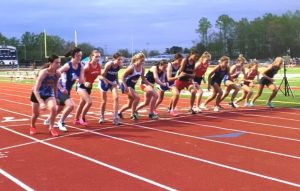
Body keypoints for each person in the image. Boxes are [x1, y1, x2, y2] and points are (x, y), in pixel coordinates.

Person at [30, 55, 61, 137]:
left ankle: (51, 128)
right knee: (35, 114)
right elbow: (36, 89)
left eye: (59, 63)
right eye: (56, 63)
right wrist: (41, 102)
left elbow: (55, 86)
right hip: (37, 94)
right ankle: (32, 126)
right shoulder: (44, 72)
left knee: (54, 108)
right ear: (51, 63)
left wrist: (56, 97)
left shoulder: (57, 74)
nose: (59, 65)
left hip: (48, 94)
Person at [54, 47, 84, 132]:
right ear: (73, 56)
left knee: (60, 107)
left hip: (68, 90)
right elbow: (56, 74)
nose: (80, 58)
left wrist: (83, 78)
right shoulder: (67, 65)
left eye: (81, 56)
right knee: (71, 106)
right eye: (78, 56)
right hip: (61, 89)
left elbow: (81, 80)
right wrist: (60, 88)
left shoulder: (80, 66)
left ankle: (49, 119)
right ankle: (61, 122)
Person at [118, 53, 149, 120]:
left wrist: (149, 84)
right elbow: (122, 77)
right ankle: (133, 114)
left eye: (143, 61)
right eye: (141, 61)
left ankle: (119, 112)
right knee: (137, 98)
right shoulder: (131, 67)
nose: (142, 62)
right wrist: (125, 86)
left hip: (132, 86)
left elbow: (143, 79)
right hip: (125, 84)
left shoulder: (142, 69)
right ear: (137, 60)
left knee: (129, 105)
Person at [74, 50, 101, 126]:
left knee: (82, 103)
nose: (98, 58)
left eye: (99, 56)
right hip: (81, 86)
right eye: (96, 56)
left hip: (89, 87)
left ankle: (76, 119)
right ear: (91, 57)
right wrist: (84, 82)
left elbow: (100, 75)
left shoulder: (98, 65)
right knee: (89, 102)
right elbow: (77, 75)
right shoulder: (87, 66)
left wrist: (105, 80)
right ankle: (82, 118)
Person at [98, 52, 123, 125]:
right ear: (114, 59)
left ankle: (115, 118)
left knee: (116, 98)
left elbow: (116, 74)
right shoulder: (109, 65)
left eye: (121, 59)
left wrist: (117, 82)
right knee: (104, 101)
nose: (120, 61)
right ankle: (102, 117)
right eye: (119, 59)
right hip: (104, 82)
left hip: (112, 82)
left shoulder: (119, 66)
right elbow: (102, 76)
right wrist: (110, 82)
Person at [172, 50, 198, 115]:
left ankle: (190, 108)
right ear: (191, 54)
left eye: (197, 56)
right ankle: (171, 108)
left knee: (193, 91)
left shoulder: (194, 62)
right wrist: (190, 75)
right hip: (180, 80)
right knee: (176, 95)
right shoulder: (185, 60)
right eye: (195, 56)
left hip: (188, 81)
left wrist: (189, 76)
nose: (196, 57)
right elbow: (181, 71)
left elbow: (194, 74)